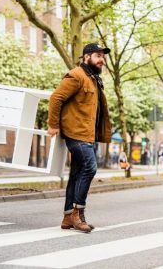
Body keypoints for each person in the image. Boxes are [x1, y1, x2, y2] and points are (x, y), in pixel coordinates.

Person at [48, 43, 112, 233]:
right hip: (77, 133)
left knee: (76, 174)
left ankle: (68, 216)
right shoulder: (77, 75)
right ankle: (78, 213)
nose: (102, 60)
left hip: (88, 134)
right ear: (86, 57)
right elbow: (56, 98)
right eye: (98, 56)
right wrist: (53, 125)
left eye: (103, 56)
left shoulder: (92, 79)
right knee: (90, 168)